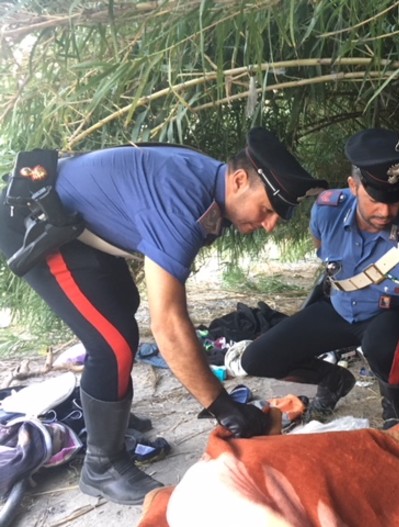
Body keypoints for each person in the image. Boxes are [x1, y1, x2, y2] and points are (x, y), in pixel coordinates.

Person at [0, 127, 328, 505]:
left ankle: (106, 422)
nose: (270, 224)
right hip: (39, 222)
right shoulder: (184, 201)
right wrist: (223, 407)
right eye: (268, 209)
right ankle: (101, 466)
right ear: (239, 181)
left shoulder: (209, 186)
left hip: (73, 222)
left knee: (122, 305)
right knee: (113, 342)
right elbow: (169, 324)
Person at [240, 128, 399, 440]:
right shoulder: (326, 208)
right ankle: (333, 380)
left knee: (381, 344)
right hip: (339, 306)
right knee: (256, 359)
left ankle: (396, 410)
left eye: (395, 201)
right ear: (353, 186)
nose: (386, 212)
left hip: (392, 315)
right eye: (375, 200)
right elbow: (323, 252)